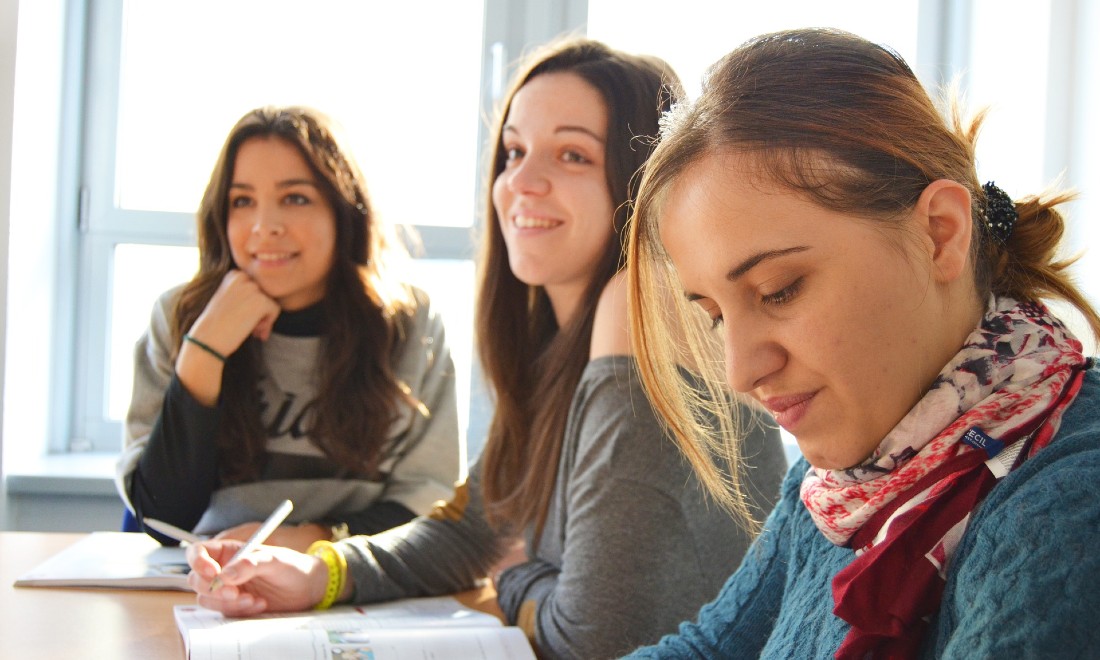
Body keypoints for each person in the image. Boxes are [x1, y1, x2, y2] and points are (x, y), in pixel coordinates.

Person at [184, 39, 787, 660]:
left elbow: (593, 641)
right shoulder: (553, 344)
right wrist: (321, 572)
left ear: (641, 181)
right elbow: (477, 528)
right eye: (515, 152)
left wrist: (515, 578)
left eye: (573, 155)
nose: (520, 182)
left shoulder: (640, 304)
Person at [623, 27, 1100, 659]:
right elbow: (711, 649)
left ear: (940, 234)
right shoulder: (846, 479)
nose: (740, 371)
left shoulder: (1065, 510)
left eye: (779, 290)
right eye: (714, 314)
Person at [116, 106, 461, 552]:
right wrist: (203, 352)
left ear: (344, 212)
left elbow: (429, 502)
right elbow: (163, 520)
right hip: (204, 581)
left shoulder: (409, 324)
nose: (264, 227)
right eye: (242, 201)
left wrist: (310, 540)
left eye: (295, 198)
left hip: (357, 580)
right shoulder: (180, 315)